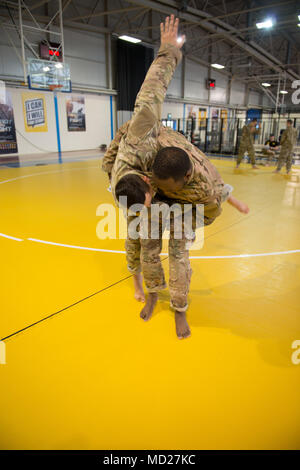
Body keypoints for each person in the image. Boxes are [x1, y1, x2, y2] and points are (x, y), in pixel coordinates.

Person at [102, 15, 249, 339]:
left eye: (150, 195)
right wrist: (138, 274)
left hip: (175, 175)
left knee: (180, 252)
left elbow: (150, 94)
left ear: (147, 180)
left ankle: (180, 308)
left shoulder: (143, 138)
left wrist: (168, 51)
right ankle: (154, 294)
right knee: (148, 245)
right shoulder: (124, 188)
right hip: (150, 188)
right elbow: (134, 234)